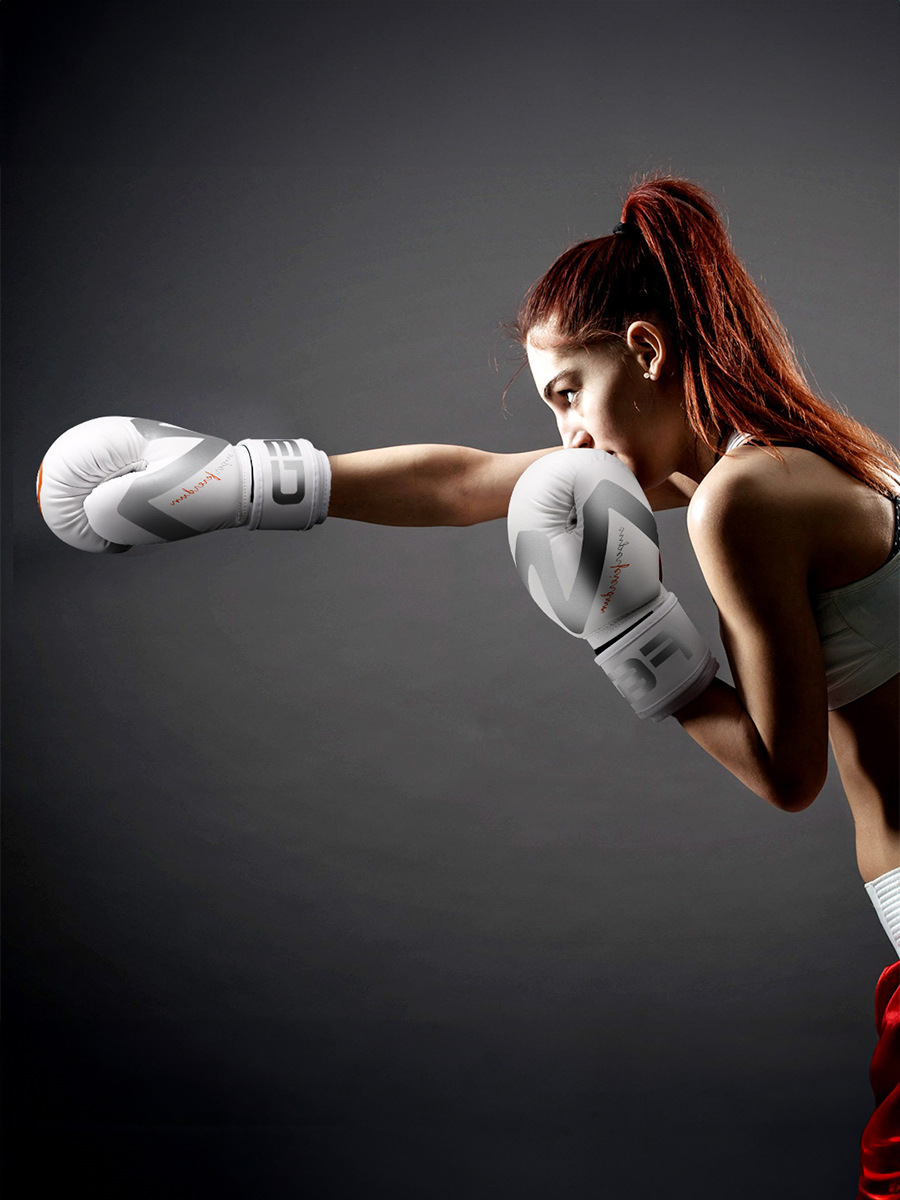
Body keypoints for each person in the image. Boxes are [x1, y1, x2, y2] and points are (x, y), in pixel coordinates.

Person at [37, 176, 899, 1193]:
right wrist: (242, 482)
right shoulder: (817, 456)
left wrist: (634, 641)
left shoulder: (741, 504)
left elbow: (788, 771)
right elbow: (468, 483)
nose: (570, 435)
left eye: (567, 393)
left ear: (647, 350)